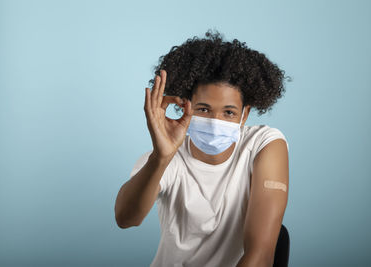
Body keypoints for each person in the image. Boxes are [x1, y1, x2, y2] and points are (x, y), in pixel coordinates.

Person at [114, 29, 291, 267]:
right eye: (204, 109)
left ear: (245, 114)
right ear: (186, 106)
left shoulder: (263, 145)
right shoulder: (165, 159)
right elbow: (125, 218)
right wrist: (161, 157)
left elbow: (261, 254)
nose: (216, 121)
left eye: (229, 112)